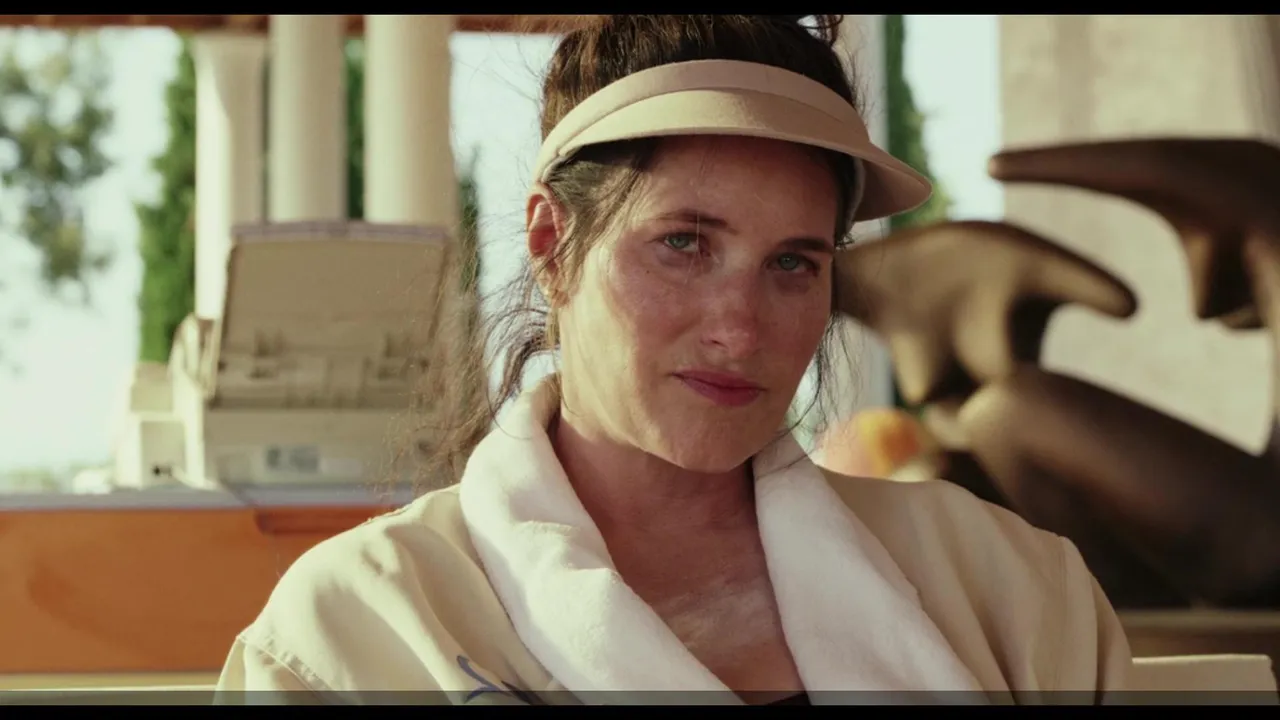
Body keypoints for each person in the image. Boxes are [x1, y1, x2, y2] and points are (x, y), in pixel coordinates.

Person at [214, 15, 1132, 705]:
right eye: (684, 245)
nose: (739, 330)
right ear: (552, 241)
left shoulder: (1011, 588)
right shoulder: (362, 630)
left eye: (792, 264)